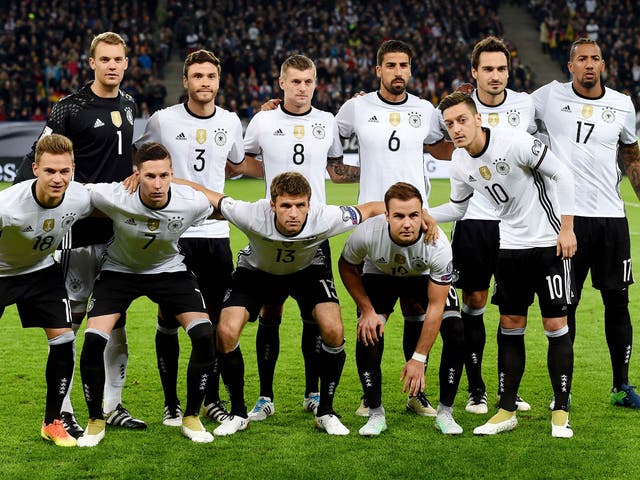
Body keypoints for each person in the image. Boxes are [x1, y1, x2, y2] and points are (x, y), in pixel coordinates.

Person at [185, 171, 388, 436]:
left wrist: (422, 214)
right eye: (285, 206)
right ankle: (238, 413)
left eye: (300, 205)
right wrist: (166, 180)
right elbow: (207, 193)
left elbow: (371, 208)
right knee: (225, 331)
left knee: (334, 330)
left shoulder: (326, 217)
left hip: (307, 272)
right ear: (272, 205)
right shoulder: (251, 213)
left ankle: (325, 412)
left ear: (309, 204)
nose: (293, 213)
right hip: (256, 272)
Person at [14, 32, 144, 437]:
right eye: (104, 59)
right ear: (91, 63)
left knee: (116, 318)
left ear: (126, 63)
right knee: (71, 319)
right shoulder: (69, 108)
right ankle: (65, 408)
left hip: (118, 228)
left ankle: (113, 404)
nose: (112, 65)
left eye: (118, 59)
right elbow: (39, 155)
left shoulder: (129, 102)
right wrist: (24, 202)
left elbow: (125, 156)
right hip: (77, 229)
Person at [432, 92, 577, 438]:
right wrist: (424, 215)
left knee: (555, 324)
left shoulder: (515, 142)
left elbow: (563, 175)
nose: (456, 128)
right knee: (511, 324)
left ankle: (560, 412)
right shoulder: (459, 161)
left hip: (547, 242)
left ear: (478, 119)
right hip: (509, 246)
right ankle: (506, 409)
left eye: (461, 120)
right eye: (449, 124)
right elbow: (457, 208)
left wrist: (568, 229)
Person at [233, 54, 360, 423]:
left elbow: (336, 172)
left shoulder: (326, 122)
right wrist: (272, 175)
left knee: (315, 317)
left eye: (308, 81)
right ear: (282, 82)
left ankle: (313, 392)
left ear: (315, 84)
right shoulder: (263, 120)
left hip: (314, 231)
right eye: (295, 81)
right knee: (271, 312)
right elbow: (242, 162)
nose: (302, 88)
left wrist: (379, 167)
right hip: (273, 231)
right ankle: (265, 397)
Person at [335, 39, 449, 416]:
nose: (398, 71)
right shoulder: (356, 107)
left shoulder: (426, 110)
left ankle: (416, 395)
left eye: (404, 65)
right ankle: (372, 398)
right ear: (378, 70)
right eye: (391, 65)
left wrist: (465, 111)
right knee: (371, 320)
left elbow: (445, 148)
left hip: (419, 224)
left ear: (410, 70)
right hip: (374, 228)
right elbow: (329, 152)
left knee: (418, 309)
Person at [77, 142, 217, 447]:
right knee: (91, 341)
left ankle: (191, 417)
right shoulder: (116, 194)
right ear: (136, 175)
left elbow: (223, 207)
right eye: (150, 176)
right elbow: (74, 192)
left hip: (170, 271)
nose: (157, 184)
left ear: (172, 175)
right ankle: (95, 421)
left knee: (205, 335)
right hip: (119, 272)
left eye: (164, 176)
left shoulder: (190, 201)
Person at [134, 49, 244, 427]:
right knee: (168, 317)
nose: (204, 83)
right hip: (174, 233)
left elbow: (236, 160)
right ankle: (170, 404)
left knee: (212, 321)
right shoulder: (164, 120)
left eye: (211, 76)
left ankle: (211, 398)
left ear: (218, 81)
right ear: (186, 81)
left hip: (215, 234)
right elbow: (142, 156)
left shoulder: (231, 122)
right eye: (197, 76)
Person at [531, 37, 640, 409]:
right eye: (582, 59)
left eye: (595, 58)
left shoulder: (622, 104)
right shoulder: (548, 96)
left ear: (603, 64)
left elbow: (631, 156)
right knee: (566, 305)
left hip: (611, 219)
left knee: (618, 302)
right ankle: (564, 388)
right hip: (566, 219)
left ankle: (621, 385)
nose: (589, 64)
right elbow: (512, 112)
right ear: (570, 66)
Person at [338, 182, 464, 436]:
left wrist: (418, 359)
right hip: (380, 274)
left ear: (422, 215)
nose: (407, 223)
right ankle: (374, 412)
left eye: (413, 215)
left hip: (423, 276)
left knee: (456, 331)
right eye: (398, 216)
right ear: (386, 216)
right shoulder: (368, 233)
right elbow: (346, 266)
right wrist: (367, 310)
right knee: (368, 332)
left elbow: (436, 307)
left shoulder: (437, 244)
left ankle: (445, 413)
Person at [454, 36, 536, 415]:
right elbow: (438, 144)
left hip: (516, 228)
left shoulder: (526, 105)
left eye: (501, 68)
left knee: (513, 311)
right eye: (487, 69)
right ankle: (476, 389)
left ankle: (510, 390)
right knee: (474, 302)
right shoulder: (460, 109)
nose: (495, 76)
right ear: (474, 73)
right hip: (474, 224)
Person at [0, 134, 92, 447]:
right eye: (50, 171)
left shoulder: (81, 197)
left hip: (40, 272)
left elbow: (117, 200)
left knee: (64, 340)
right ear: (36, 169)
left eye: (64, 171)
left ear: (73, 170)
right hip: (0, 274)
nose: (57, 178)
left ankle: (52, 421)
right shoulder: (8, 206)